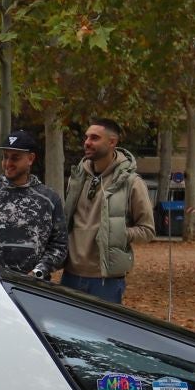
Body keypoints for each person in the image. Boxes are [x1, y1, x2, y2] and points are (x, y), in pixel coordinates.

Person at [61, 117, 154, 302]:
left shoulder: (132, 182)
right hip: (70, 274)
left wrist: (116, 233)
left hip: (106, 281)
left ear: (112, 142)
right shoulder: (77, 178)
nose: (87, 142)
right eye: (86, 137)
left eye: (94, 138)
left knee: (102, 331)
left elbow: (147, 231)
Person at [0, 128, 69, 278]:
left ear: (30, 159)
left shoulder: (49, 199)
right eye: (5, 157)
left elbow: (59, 245)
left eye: (15, 158)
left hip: (35, 288)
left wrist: (38, 272)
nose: (8, 163)